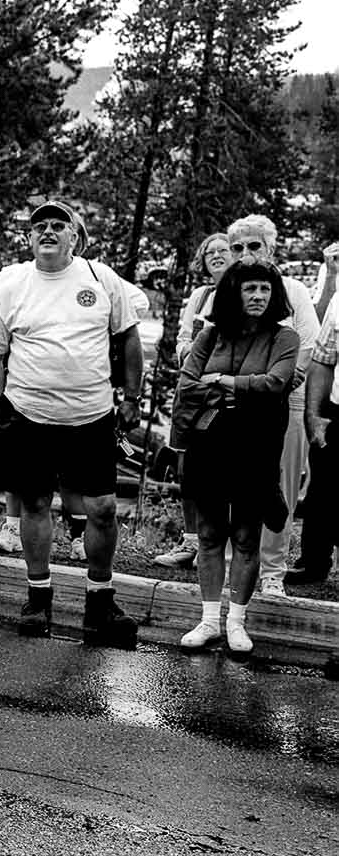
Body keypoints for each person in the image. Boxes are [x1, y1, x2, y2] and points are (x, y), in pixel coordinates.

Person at [0, 198, 144, 646]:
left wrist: (132, 397)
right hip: (30, 417)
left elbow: (128, 338)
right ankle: (38, 597)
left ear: (74, 235)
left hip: (91, 418)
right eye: (39, 227)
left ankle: (100, 599)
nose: (47, 232)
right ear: (29, 238)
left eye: (58, 225)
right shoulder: (13, 287)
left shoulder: (99, 277)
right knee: (33, 504)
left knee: (103, 509)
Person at [171, 261, 299, 653]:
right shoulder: (210, 335)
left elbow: (276, 383)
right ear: (234, 294)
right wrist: (243, 392)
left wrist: (224, 382)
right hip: (209, 445)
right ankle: (209, 621)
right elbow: (187, 387)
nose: (258, 296)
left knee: (246, 537)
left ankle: (236, 623)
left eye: (264, 289)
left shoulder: (284, 338)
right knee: (209, 535)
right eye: (250, 289)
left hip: (256, 447)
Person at [223, 215, 319, 598]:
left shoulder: (292, 289)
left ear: (271, 248)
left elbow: (310, 342)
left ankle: (273, 572)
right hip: (235, 401)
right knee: (235, 481)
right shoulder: (227, 289)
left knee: (278, 486)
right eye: (237, 248)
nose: (245, 255)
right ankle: (236, 564)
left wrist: (289, 379)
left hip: (285, 401)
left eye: (254, 246)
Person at [154, 232, 233, 569]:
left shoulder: (244, 293)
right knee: (187, 468)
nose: (216, 256)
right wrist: (195, 354)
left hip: (223, 393)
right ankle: (189, 542)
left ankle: (218, 545)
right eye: (210, 252)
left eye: (223, 250)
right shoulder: (200, 296)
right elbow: (182, 342)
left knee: (223, 469)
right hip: (191, 391)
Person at [289, 298, 336, 587]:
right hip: (337, 411)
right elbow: (323, 359)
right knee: (325, 489)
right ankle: (313, 564)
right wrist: (314, 414)